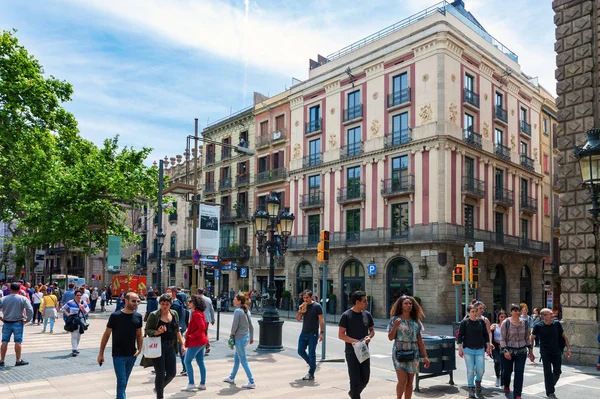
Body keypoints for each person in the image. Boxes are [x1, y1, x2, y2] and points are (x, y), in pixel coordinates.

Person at [98, 292, 143, 399]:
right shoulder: (115, 316)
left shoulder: (138, 316)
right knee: (122, 382)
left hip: (132, 355)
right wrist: (101, 353)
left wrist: (140, 349)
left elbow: (139, 334)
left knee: (124, 382)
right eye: (133, 301)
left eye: (138, 301)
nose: (136, 303)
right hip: (118, 355)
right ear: (126, 301)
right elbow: (106, 335)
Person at [387, 295, 429, 399]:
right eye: (406, 303)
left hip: (413, 352)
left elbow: (420, 340)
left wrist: (425, 356)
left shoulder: (416, 321)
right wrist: (396, 326)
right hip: (399, 351)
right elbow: (390, 337)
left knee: (410, 382)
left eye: (410, 303)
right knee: (402, 381)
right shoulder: (395, 320)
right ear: (401, 306)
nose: (408, 305)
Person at [145, 294, 186, 399]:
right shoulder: (154, 315)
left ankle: (158, 388)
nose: (164, 306)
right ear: (159, 304)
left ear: (170, 304)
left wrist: (182, 344)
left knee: (172, 373)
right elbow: (147, 330)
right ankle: (160, 396)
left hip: (171, 346)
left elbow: (177, 331)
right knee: (160, 373)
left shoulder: (174, 314)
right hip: (158, 346)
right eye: (162, 304)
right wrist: (157, 332)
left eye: (167, 304)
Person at [338, 291, 375, 399]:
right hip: (351, 352)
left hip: (364, 351)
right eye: (365, 301)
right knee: (354, 380)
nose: (367, 303)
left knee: (365, 378)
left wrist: (369, 336)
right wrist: (354, 341)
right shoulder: (346, 316)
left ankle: (353, 393)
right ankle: (355, 395)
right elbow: (341, 335)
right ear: (357, 302)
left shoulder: (367, 315)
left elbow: (372, 330)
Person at [530, 308, 571, 399]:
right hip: (545, 352)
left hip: (556, 351)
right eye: (550, 314)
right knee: (547, 372)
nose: (553, 315)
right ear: (544, 316)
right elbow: (532, 338)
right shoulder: (538, 326)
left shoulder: (556, 324)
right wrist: (531, 351)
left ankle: (549, 386)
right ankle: (550, 393)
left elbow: (564, 336)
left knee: (557, 372)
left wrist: (568, 349)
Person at [500, 304, 534, 399]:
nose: (517, 312)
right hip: (509, 351)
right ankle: (506, 385)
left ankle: (517, 394)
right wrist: (505, 351)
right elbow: (502, 339)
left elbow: (527, 338)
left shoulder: (525, 323)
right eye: (515, 310)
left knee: (519, 372)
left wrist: (531, 351)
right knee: (507, 371)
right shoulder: (506, 323)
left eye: (518, 310)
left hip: (521, 351)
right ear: (511, 312)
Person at [458, 304, 491, 398]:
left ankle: (478, 381)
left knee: (481, 370)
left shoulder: (481, 322)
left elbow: (485, 334)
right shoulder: (464, 323)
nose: (474, 313)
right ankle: (471, 388)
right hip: (468, 349)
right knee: (470, 370)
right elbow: (460, 336)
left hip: (480, 349)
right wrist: (460, 349)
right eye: (472, 311)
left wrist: (488, 345)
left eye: (476, 311)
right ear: (469, 312)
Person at [223, 294, 255, 389]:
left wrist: (231, 335)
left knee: (243, 360)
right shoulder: (246, 310)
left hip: (239, 338)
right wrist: (252, 337)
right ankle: (232, 377)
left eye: (235, 299)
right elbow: (251, 325)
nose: (233, 300)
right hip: (245, 337)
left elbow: (234, 326)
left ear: (239, 301)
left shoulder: (237, 311)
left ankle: (251, 380)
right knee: (237, 358)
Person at [0, 283, 34, 367]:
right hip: (18, 322)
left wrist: (1, 317)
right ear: (19, 290)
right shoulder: (23, 298)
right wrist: (27, 320)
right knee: (18, 341)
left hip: (7, 322)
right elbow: (30, 310)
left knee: (4, 341)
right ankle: (18, 360)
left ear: (10, 289)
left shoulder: (3, 299)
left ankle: (2, 360)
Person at [181, 295, 208, 391]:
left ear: (195, 303)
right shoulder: (199, 312)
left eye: (190, 302)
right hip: (201, 341)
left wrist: (192, 336)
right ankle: (202, 383)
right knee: (200, 362)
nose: (188, 303)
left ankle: (191, 383)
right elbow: (202, 327)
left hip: (196, 341)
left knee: (187, 361)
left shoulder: (196, 313)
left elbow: (202, 327)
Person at [296, 289, 325, 380]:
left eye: (307, 297)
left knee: (312, 353)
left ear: (311, 297)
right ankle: (312, 364)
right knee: (300, 351)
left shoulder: (317, 306)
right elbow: (298, 319)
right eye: (304, 297)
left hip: (313, 334)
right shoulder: (303, 306)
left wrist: (322, 333)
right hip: (304, 332)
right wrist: (300, 311)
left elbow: (321, 320)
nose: (305, 299)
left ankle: (311, 373)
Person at [61, 290, 90, 356]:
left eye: (80, 295)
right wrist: (68, 314)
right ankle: (74, 349)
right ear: (75, 296)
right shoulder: (71, 302)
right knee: (74, 335)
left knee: (79, 335)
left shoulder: (83, 302)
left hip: (81, 320)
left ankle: (75, 348)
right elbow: (63, 308)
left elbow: (87, 310)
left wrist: (84, 309)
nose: (79, 296)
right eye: (77, 295)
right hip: (73, 320)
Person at [490, 310, 508, 387]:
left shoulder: (509, 326)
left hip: (505, 347)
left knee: (504, 364)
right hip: (496, 347)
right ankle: (498, 377)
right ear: (498, 318)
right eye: (501, 317)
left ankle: (503, 381)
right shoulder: (494, 326)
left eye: (504, 317)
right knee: (497, 362)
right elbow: (490, 335)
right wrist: (491, 330)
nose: (503, 318)